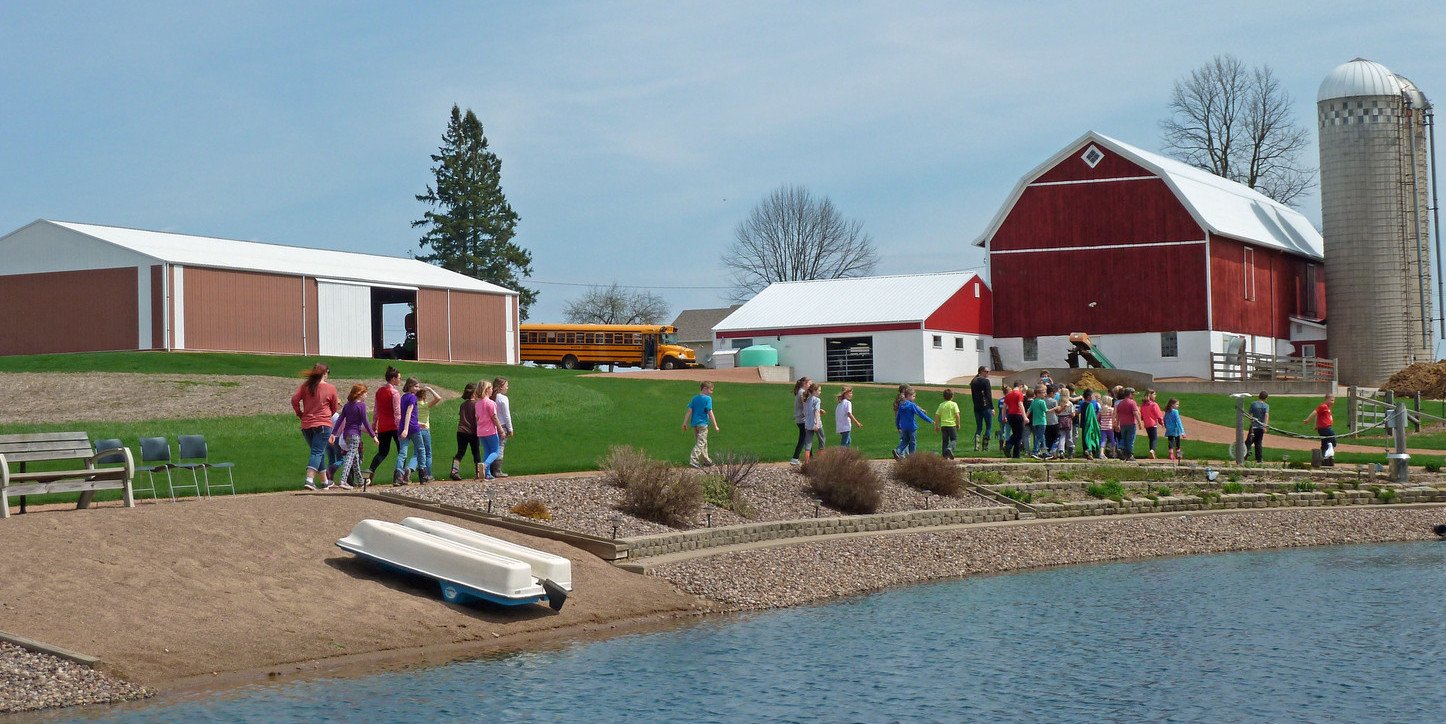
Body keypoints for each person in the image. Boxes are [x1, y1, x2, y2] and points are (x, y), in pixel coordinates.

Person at [290, 363, 339, 491]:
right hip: (323, 424)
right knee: (317, 452)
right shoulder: (330, 388)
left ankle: (324, 481)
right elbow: (334, 407)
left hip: (306, 425)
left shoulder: (305, 386)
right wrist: (328, 415)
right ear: (325, 373)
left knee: (318, 452)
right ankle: (309, 479)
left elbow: (294, 400)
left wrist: (300, 413)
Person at [330, 383, 377, 490]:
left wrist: (333, 433)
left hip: (346, 435)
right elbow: (365, 422)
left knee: (355, 458)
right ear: (359, 394)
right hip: (355, 435)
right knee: (350, 457)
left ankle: (360, 481)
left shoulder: (347, 406)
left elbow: (340, 420)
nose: (366, 396)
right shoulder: (361, 406)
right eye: (365, 393)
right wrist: (373, 435)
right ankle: (343, 480)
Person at [367, 366, 403, 485]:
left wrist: (374, 424)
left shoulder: (379, 391)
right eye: (398, 378)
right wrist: (400, 428)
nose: (400, 380)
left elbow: (376, 409)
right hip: (394, 426)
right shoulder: (394, 393)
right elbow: (397, 412)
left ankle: (369, 474)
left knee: (382, 452)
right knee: (402, 451)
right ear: (393, 379)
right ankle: (398, 477)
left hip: (383, 426)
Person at [406, 382, 442, 483]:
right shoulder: (425, 405)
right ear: (424, 397)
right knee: (428, 453)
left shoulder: (413, 404)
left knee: (416, 453)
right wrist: (430, 389)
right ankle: (428, 474)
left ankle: (409, 468)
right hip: (425, 430)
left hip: (415, 429)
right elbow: (438, 398)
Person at [682, 381, 720, 468]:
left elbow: (689, 411)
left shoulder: (694, 398)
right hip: (703, 424)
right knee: (701, 443)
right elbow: (710, 412)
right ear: (705, 389)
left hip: (694, 424)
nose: (712, 392)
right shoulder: (708, 399)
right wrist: (715, 426)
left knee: (703, 443)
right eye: (711, 390)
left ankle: (707, 461)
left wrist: (685, 423)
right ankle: (694, 460)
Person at [475, 380, 504, 481]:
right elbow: (494, 417)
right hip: (490, 430)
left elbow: (477, 418)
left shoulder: (477, 404)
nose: (492, 390)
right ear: (487, 390)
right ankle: (485, 465)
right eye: (491, 388)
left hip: (481, 431)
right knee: (495, 451)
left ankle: (487, 474)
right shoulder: (491, 403)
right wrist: (501, 430)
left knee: (487, 451)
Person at [393, 378, 421, 485]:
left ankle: (398, 476)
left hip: (401, 427)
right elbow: (408, 413)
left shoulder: (403, 397)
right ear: (410, 386)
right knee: (419, 450)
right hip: (410, 428)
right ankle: (409, 469)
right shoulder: (413, 397)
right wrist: (406, 429)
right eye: (416, 386)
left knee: (402, 453)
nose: (418, 388)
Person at [450, 383, 479, 480]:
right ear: (474, 393)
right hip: (472, 432)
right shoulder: (476, 405)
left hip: (461, 431)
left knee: (460, 451)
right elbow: (476, 419)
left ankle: (454, 471)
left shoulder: (463, 404)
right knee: (476, 452)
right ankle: (478, 472)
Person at [893, 387, 933, 459]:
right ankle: (912, 458)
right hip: (912, 427)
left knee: (905, 441)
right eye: (913, 396)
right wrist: (930, 420)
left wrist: (898, 426)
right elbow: (920, 414)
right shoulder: (912, 405)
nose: (914, 398)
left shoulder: (901, 405)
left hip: (904, 427)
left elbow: (897, 418)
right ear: (908, 396)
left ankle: (897, 451)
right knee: (913, 442)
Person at [490, 377, 514, 479]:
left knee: (492, 448)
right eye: (506, 386)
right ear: (500, 387)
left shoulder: (491, 398)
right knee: (500, 447)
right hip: (502, 426)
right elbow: (506, 415)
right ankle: (497, 470)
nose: (507, 388)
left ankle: (490, 470)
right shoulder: (503, 399)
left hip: (491, 426)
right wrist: (510, 428)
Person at [1303, 393, 1336, 461]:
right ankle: (1328, 453)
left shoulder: (1327, 407)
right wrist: (1308, 419)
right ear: (1327, 400)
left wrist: (1316, 425)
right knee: (1333, 439)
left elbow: (1318, 415)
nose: (1333, 402)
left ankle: (1323, 457)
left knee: (1324, 442)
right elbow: (1315, 412)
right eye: (1331, 400)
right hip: (1325, 428)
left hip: (1324, 428)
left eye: (1333, 400)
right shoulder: (1323, 406)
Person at [789, 377, 812, 466]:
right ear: (805, 384)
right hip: (802, 419)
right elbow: (805, 405)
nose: (810, 386)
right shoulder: (802, 392)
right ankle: (795, 458)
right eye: (809, 384)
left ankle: (811, 458)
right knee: (803, 439)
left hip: (800, 419)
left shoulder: (800, 391)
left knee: (807, 439)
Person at [969, 367, 993, 451]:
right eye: (986, 371)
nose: (988, 373)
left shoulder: (973, 381)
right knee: (988, 426)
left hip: (977, 407)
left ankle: (976, 446)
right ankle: (985, 446)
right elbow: (988, 395)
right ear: (981, 372)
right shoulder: (986, 381)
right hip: (985, 406)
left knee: (979, 427)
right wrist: (992, 407)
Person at [1115, 388, 1141, 462]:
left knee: (1124, 438)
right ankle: (1130, 454)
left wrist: (1117, 424)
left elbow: (1118, 415)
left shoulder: (1120, 403)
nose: (1133, 396)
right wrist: (1139, 423)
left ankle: (1120, 448)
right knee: (1130, 439)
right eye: (1133, 394)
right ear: (1130, 394)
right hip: (1131, 424)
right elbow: (1135, 413)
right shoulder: (1132, 402)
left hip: (1123, 424)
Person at [935, 389, 962, 459]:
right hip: (951, 425)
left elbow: (937, 415)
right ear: (952, 396)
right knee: (954, 439)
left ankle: (944, 456)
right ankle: (950, 448)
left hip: (943, 426)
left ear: (944, 397)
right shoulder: (954, 404)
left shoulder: (941, 405)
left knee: (945, 441)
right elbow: (957, 415)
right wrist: (958, 423)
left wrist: (937, 425)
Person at [801, 382, 825, 461]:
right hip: (816, 424)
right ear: (814, 391)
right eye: (819, 390)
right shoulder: (817, 400)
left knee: (808, 443)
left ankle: (806, 462)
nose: (820, 392)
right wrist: (817, 424)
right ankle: (820, 460)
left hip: (807, 424)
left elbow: (805, 412)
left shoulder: (806, 400)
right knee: (822, 440)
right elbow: (816, 412)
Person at [1003, 381, 1027, 459]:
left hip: (1010, 415)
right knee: (1019, 434)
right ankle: (1009, 445)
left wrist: (1004, 417)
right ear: (1020, 386)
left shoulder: (1008, 394)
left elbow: (1004, 407)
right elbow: (1021, 405)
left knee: (1016, 433)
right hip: (1018, 415)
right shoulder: (1019, 394)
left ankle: (1016, 454)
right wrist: (1025, 417)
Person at [1140, 389, 1164, 459]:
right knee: (1154, 438)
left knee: (1150, 438)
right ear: (1150, 395)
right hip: (1153, 423)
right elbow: (1158, 415)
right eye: (1154, 394)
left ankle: (1151, 452)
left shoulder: (1143, 405)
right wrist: (1161, 422)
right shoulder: (1154, 404)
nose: (1155, 396)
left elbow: (1142, 415)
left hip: (1147, 424)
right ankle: (1152, 450)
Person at [1247, 391, 1270, 463]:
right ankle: (1259, 459)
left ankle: (1245, 453)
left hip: (1253, 426)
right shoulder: (1266, 406)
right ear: (1266, 398)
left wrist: (1251, 420)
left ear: (1259, 396)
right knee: (1258, 443)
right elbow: (1266, 415)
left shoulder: (1253, 404)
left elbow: (1249, 414)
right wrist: (1265, 426)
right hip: (1261, 427)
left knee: (1248, 441)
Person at [1079, 389, 1102, 459]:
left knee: (1084, 437)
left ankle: (1085, 451)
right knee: (1090, 437)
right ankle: (1089, 451)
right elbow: (1092, 417)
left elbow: (1078, 412)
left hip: (1083, 423)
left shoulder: (1082, 404)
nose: (1092, 397)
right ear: (1088, 397)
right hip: (1089, 425)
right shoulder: (1090, 405)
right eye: (1091, 396)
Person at [1028, 385, 1049, 458]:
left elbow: (1029, 410)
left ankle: (1045, 452)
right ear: (1038, 394)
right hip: (1042, 422)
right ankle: (1035, 451)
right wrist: (1056, 408)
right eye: (1043, 393)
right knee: (1039, 437)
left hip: (1035, 422)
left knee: (1042, 437)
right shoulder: (1042, 402)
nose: (1045, 394)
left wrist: (1026, 418)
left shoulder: (1034, 401)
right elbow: (1046, 411)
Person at [1055, 387, 1075, 459]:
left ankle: (1061, 451)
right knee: (1069, 437)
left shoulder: (1058, 402)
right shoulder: (1070, 403)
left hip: (1060, 420)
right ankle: (1070, 452)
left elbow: (1057, 412)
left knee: (1062, 436)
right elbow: (1073, 414)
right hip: (1068, 420)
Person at [1098, 388, 1117, 458]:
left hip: (1103, 427)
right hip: (1110, 427)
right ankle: (1114, 452)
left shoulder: (1101, 409)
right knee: (1113, 440)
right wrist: (1114, 424)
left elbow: (1098, 418)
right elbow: (1113, 418)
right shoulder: (1111, 409)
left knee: (1103, 440)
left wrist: (1100, 423)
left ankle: (1101, 453)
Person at [1043, 385, 1060, 459]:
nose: (1055, 395)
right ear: (1051, 393)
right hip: (1054, 421)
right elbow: (1057, 412)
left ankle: (1047, 452)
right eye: (1055, 393)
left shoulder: (1043, 400)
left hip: (1046, 422)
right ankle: (1053, 450)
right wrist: (1062, 407)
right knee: (1057, 437)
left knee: (1048, 438)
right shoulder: (1054, 401)